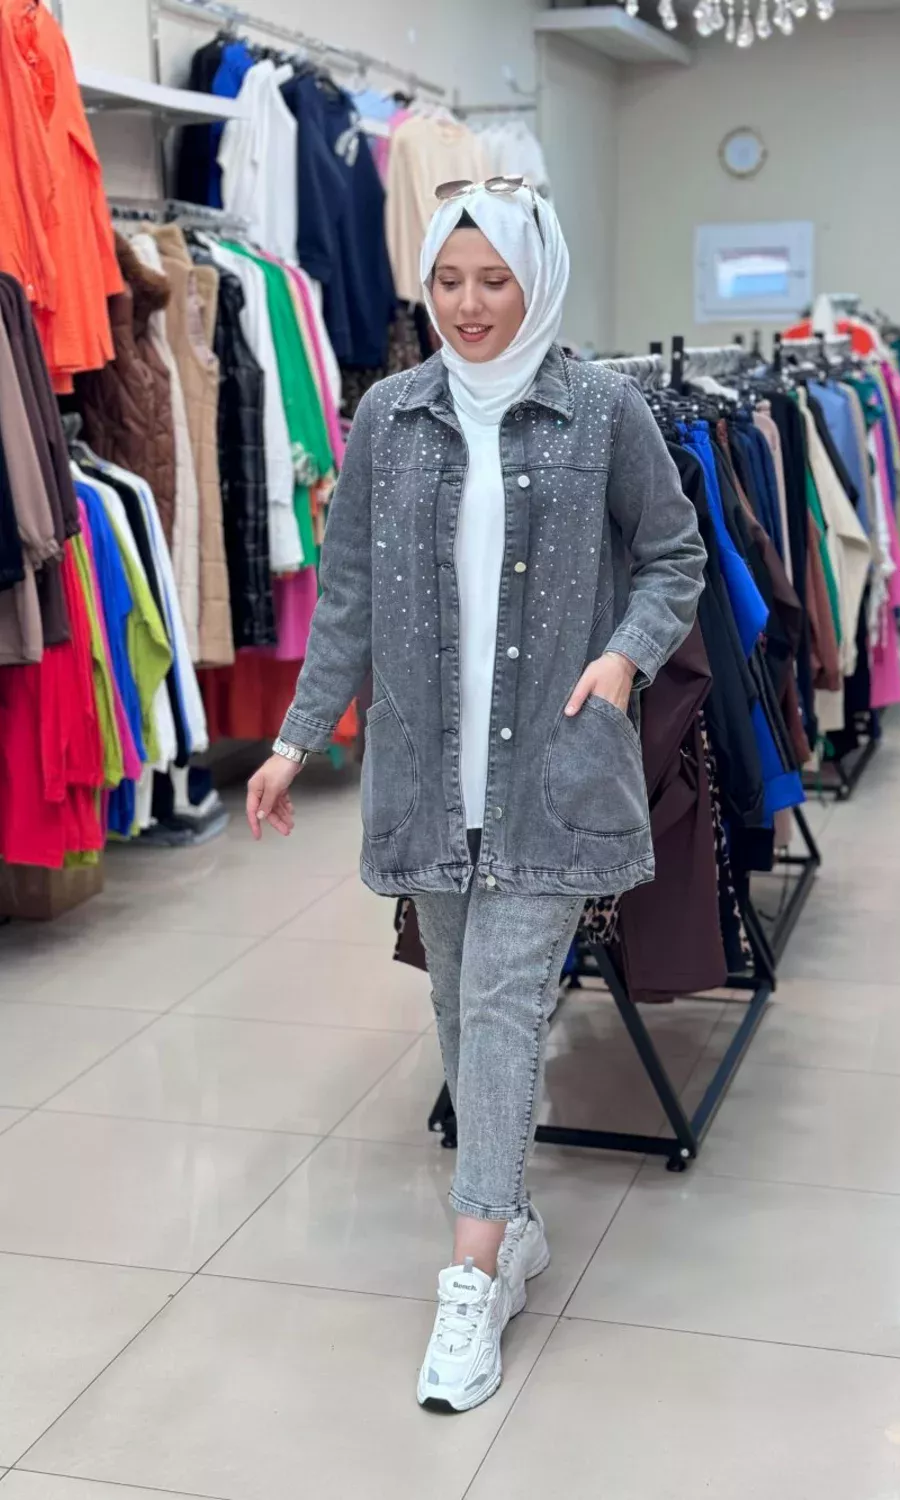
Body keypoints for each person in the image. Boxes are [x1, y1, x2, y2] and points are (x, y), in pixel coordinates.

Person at [246, 178, 706, 1412]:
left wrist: (626, 655)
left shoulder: (603, 410)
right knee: (456, 1002)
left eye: (493, 279)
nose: (468, 304)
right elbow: (347, 594)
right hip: (424, 773)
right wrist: (292, 740)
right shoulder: (388, 416)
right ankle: (511, 1215)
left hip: (553, 766)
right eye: (447, 281)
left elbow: (675, 556)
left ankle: (470, 1273)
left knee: (501, 1005)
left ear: (536, 279)